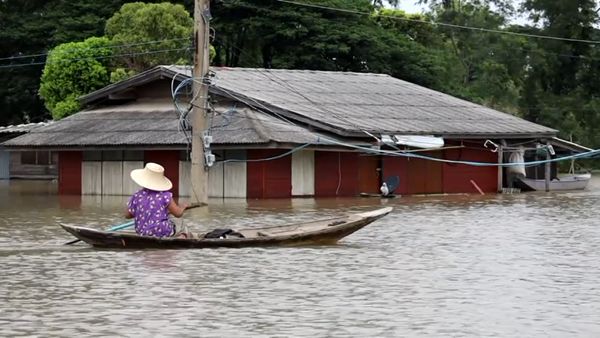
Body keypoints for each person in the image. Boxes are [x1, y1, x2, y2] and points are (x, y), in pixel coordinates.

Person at [125, 162, 188, 238]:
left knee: (171, 220)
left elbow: (127, 215)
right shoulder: (165, 195)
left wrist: (141, 211)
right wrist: (183, 207)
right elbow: (178, 214)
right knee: (180, 222)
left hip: (142, 232)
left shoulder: (137, 195)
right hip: (161, 231)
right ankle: (182, 238)